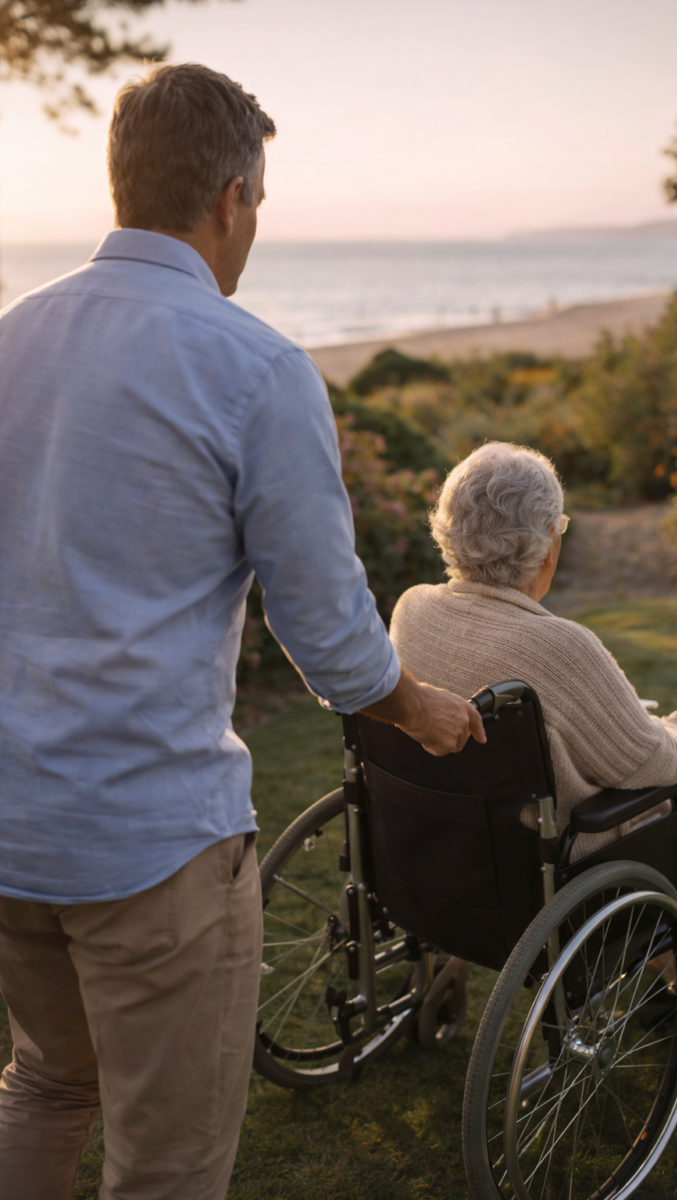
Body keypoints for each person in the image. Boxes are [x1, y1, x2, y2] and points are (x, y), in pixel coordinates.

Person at [0, 63, 484, 1200]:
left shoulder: (11, 337)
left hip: (12, 822)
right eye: (256, 205)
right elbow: (329, 636)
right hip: (151, 846)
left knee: (46, 1086)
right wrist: (423, 712)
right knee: (167, 1163)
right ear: (229, 199)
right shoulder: (254, 367)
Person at [390, 441, 677, 988]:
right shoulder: (559, 647)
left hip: (441, 843)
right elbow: (653, 764)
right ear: (548, 546)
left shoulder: (412, 608)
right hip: (550, 863)